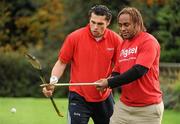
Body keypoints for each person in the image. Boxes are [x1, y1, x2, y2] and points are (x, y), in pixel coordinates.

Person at [42, 5, 122, 124]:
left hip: (104, 97)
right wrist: (53, 81)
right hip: (78, 97)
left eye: (100, 24)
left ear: (108, 22)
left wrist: (111, 81)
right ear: (89, 20)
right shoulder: (74, 37)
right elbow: (61, 63)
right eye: (92, 22)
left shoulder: (116, 40)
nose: (95, 27)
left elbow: (121, 67)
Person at [95, 7, 164, 124]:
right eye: (120, 25)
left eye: (126, 25)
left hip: (148, 110)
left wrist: (109, 83)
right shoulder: (123, 45)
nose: (122, 29)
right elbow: (117, 72)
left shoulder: (149, 42)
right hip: (124, 107)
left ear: (137, 23)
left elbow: (138, 71)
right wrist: (106, 82)